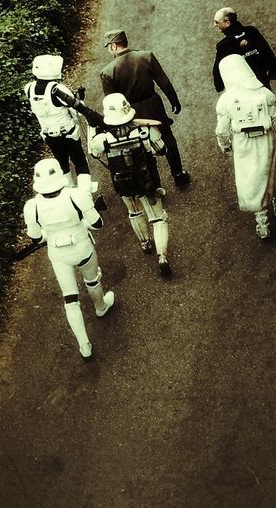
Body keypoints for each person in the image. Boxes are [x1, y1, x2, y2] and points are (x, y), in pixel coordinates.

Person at [22, 158, 116, 358]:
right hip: (82, 248)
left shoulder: (31, 207)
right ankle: (101, 307)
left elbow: (37, 237)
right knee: (92, 280)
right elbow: (97, 224)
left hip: (58, 255)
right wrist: (82, 222)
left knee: (70, 299)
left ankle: (84, 346)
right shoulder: (77, 195)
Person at [89, 93, 173, 278]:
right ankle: (162, 257)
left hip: (123, 183)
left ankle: (145, 243)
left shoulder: (103, 138)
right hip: (146, 180)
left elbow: (94, 153)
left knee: (134, 212)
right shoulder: (145, 130)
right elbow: (162, 150)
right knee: (158, 218)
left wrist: (92, 129)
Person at [215, 54, 276, 240]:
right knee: (274, 170)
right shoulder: (263, 93)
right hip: (267, 139)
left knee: (251, 178)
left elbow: (222, 130)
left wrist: (224, 145)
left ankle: (262, 223)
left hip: (243, 144)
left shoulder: (225, 101)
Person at [100, 30, 190, 187]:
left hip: (129, 113)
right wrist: (174, 100)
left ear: (114, 45)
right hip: (153, 105)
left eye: (108, 46)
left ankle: (154, 185)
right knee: (168, 140)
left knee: (141, 146)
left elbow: (111, 101)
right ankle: (178, 175)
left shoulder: (108, 71)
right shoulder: (146, 56)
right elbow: (164, 82)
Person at [25, 53, 90, 182]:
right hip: (68, 134)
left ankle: (68, 190)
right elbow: (77, 108)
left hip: (49, 136)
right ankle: (86, 195)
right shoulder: (57, 88)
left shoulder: (29, 88)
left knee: (62, 165)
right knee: (80, 162)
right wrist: (80, 98)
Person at [211, 7, 276, 93]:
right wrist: (273, 71)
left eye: (217, 22)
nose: (215, 24)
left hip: (244, 87)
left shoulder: (224, 45)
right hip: (263, 81)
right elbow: (266, 50)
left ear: (227, 23)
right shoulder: (252, 31)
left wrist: (219, 86)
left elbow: (218, 68)